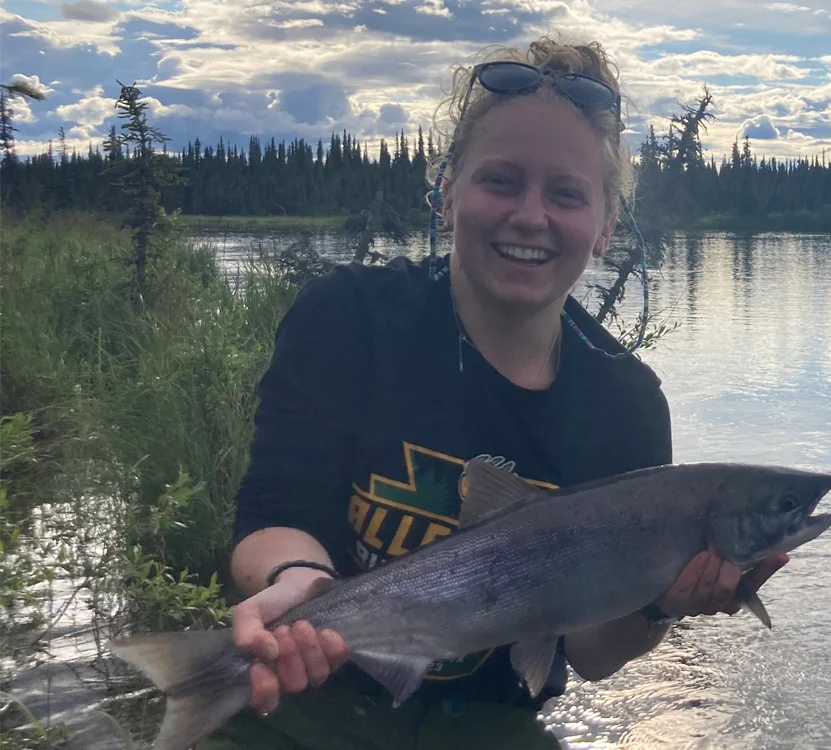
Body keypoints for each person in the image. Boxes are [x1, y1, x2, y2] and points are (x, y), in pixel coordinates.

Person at [198, 35, 790, 750]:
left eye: (566, 194)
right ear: (448, 193)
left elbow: (593, 654)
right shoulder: (349, 317)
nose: (530, 216)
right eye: (501, 181)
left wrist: (662, 603)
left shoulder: (624, 402)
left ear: (604, 228)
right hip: (306, 700)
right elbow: (275, 508)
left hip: (489, 724)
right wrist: (298, 581)